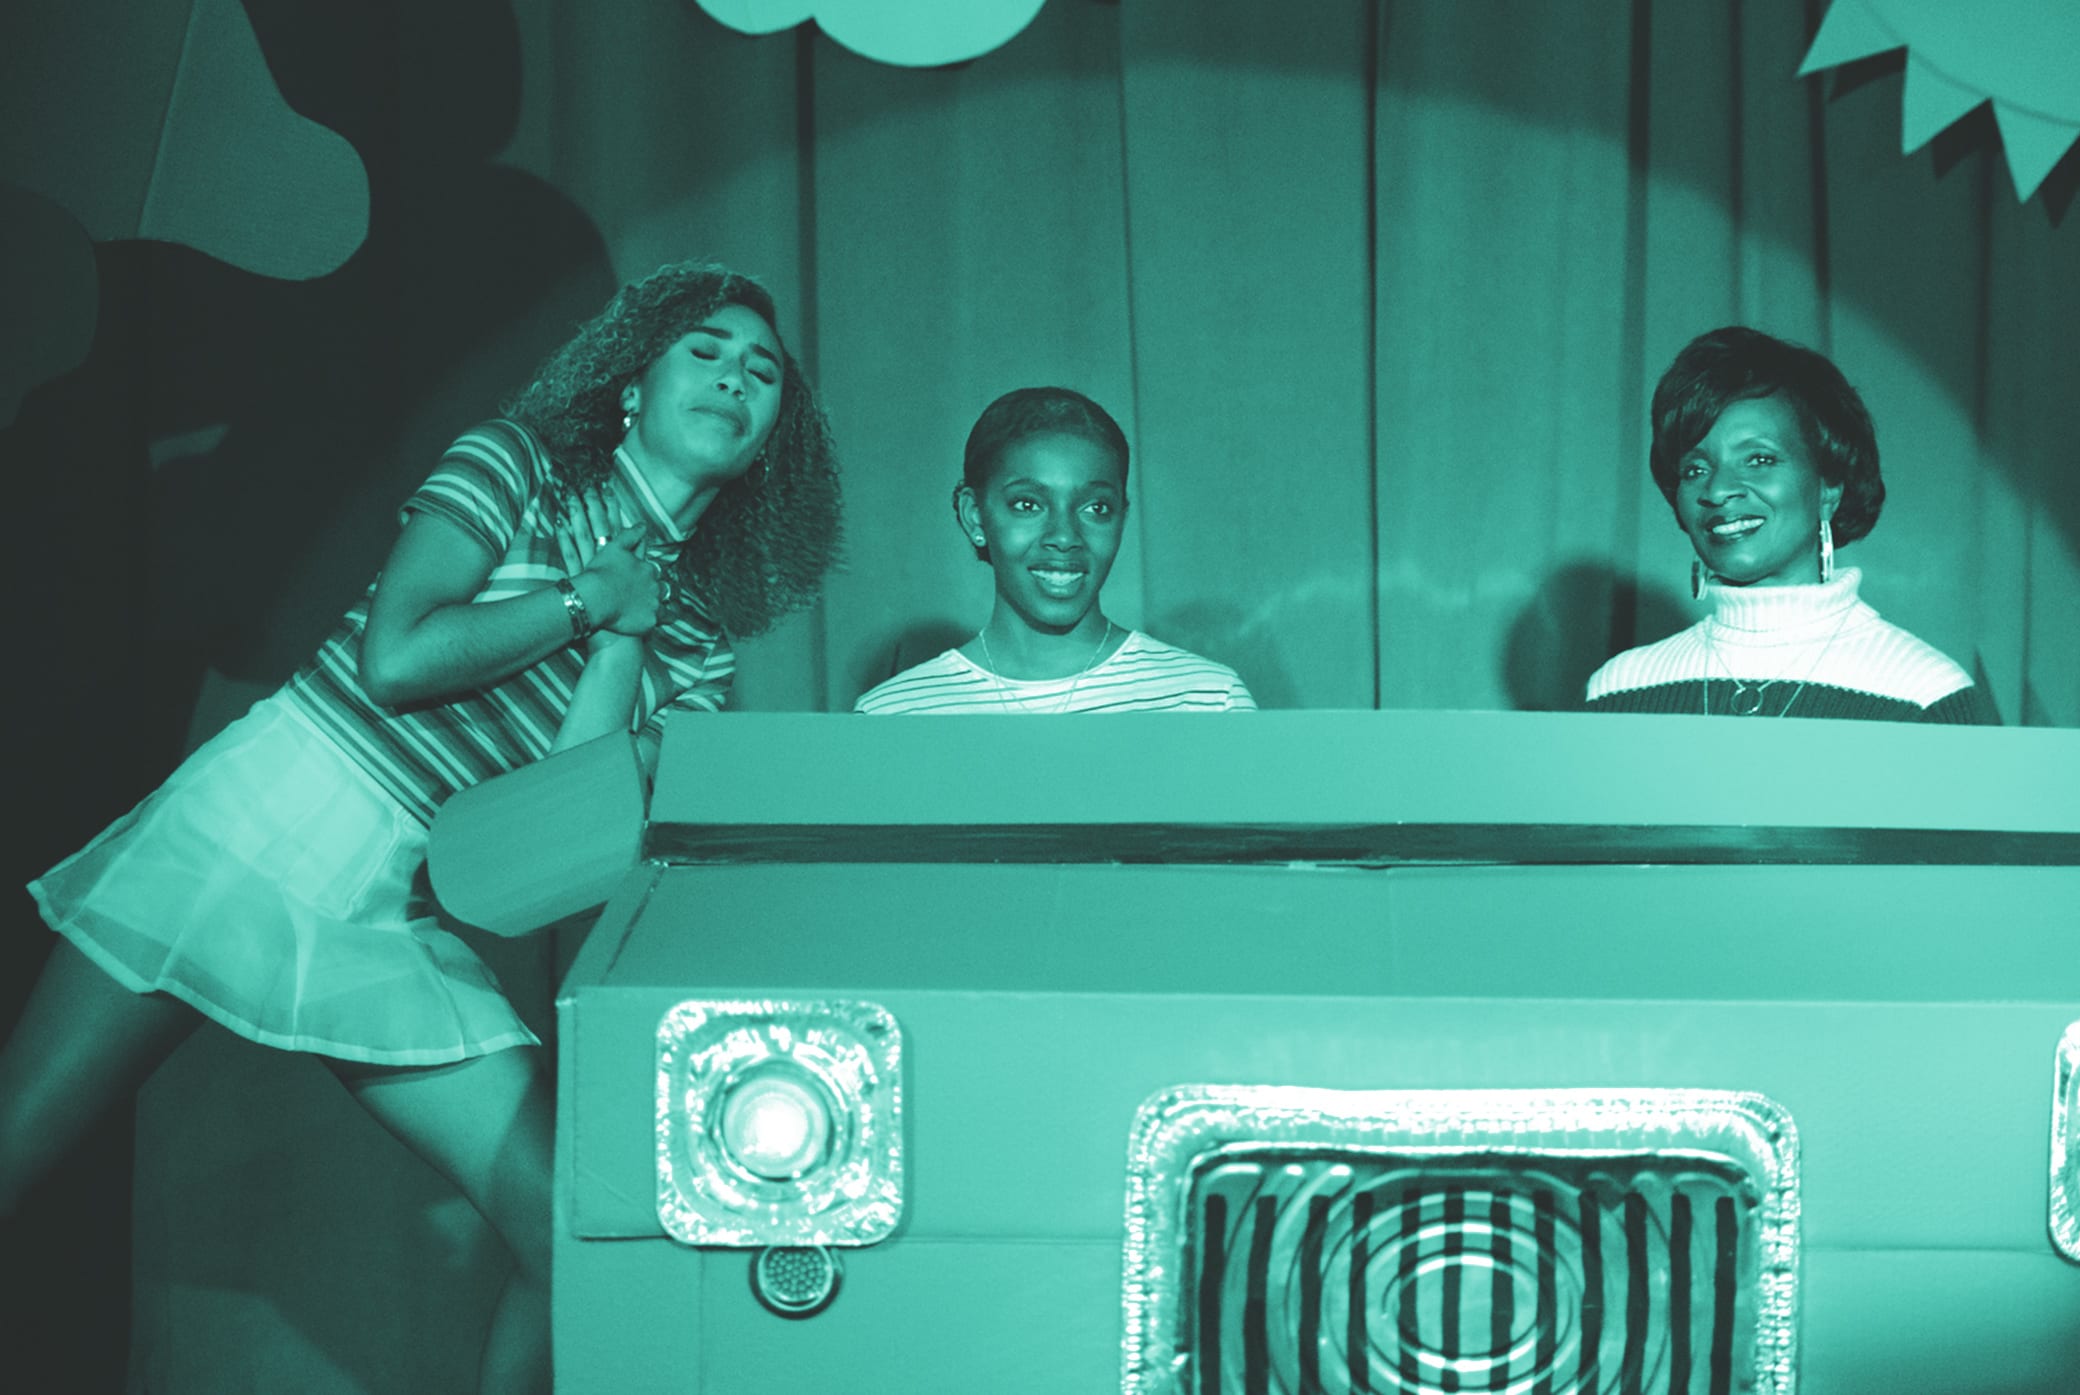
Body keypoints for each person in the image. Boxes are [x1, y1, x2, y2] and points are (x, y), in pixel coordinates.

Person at [1, 261, 840, 1393]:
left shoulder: (696, 651)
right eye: (704, 350)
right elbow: (394, 659)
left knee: (575, 1232)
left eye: (762, 372)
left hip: (398, 905)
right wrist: (583, 601)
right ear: (632, 385)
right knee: (17, 1149)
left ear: (771, 439)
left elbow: (542, 838)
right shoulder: (515, 464)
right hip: (272, 809)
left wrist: (625, 635)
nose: (734, 378)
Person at [1586, 326, 1995, 723]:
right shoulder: (1620, 689)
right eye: (1695, 469)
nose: (1718, 489)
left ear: (1828, 487)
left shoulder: (1924, 693)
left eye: (1759, 460)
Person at [856, 387, 1252, 714]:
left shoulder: (1205, 699)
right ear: (974, 516)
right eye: (1028, 504)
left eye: (1096, 508)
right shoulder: (895, 714)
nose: (1064, 537)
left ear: (1121, 517)